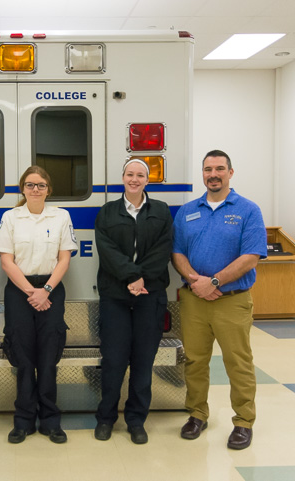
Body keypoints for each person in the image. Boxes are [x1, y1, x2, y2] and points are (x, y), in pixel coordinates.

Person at [172, 149, 267, 450]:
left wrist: (213, 282)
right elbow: (177, 253)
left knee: (237, 362)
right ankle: (197, 414)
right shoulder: (187, 210)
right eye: (208, 169)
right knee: (195, 361)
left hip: (232, 300)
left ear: (230, 172)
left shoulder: (248, 210)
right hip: (194, 301)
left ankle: (243, 422)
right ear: (202, 173)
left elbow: (251, 257)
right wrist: (195, 281)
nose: (213, 174)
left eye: (219, 169)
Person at [0, 166, 77, 444]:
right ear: (22, 188)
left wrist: (46, 291)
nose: (36, 190)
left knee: (49, 356)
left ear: (48, 189)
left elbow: (64, 258)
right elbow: (7, 260)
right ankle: (23, 421)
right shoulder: (11, 217)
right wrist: (32, 292)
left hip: (51, 289)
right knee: (24, 357)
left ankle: (51, 421)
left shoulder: (61, 216)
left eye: (41, 185)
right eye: (30, 185)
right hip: (20, 290)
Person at [93, 159, 173, 444]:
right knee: (113, 361)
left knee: (142, 363)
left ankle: (136, 420)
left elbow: (163, 249)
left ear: (147, 180)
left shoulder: (161, 211)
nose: (134, 179)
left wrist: (142, 279)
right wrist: (130, 277)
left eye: (140, 175)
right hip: (115, 297)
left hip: (150, 296)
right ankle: (106, 418)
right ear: (122, 177)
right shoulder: (107, 212)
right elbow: (107, 249)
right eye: (130, 174)